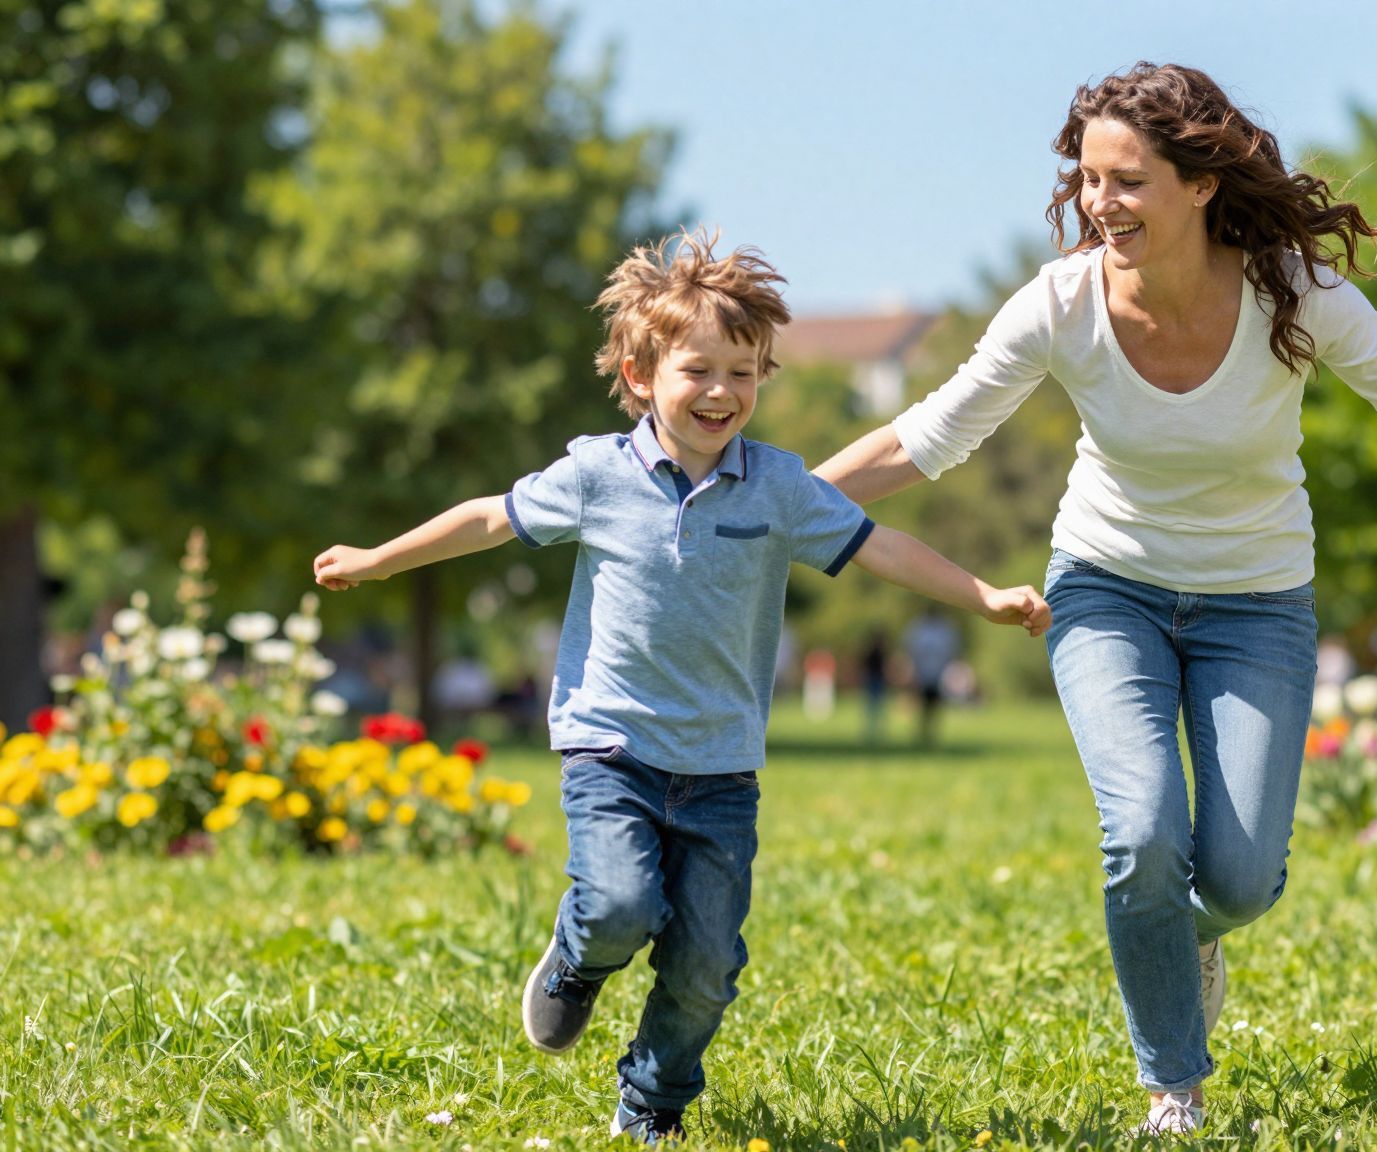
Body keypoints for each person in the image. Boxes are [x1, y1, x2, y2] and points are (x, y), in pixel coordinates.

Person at [814, 63, 1377, 1134]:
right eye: (1087, 178)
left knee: (1241, 882)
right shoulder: (1059, 306)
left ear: (1199, 185)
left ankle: (1179, 932)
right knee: (1140, 835)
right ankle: (1172, 1085)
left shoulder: (1290, 292)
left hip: (1255, 603)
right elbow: (928, 437)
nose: (1098, 203)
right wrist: (767, 495)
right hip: (1106, 591)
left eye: (1126, 180)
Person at [311, 231, 1051, 1145]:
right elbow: (487, 519)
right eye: (698, 369)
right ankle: (578, 961)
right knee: (620, 905)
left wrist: (982, 595)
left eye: (744, 373)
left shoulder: (778, 486)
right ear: (639, 372)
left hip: (721, 768)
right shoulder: (594, 475)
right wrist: (382, 560)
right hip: (610, 748)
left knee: (706, 962)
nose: (721, 392)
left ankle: (652, 1102)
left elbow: (881, 546)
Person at [903, 607, 961, 746]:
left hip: (934, 675)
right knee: (925, 707)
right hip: (926, 674)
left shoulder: (922, 629)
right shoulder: (937, 630)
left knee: (931, 707)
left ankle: (928, 734)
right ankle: (924, 733)